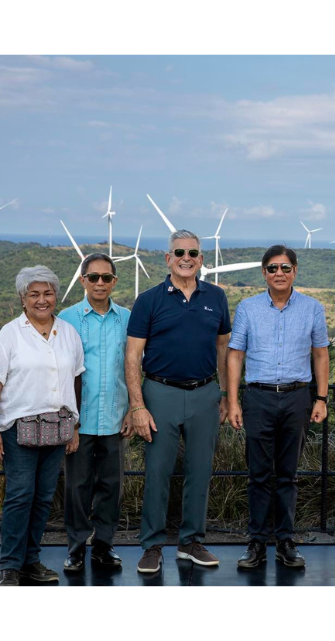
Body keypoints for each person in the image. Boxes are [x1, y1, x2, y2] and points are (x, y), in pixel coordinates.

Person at [126, 230, 231, 574]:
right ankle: (152, 545)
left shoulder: (216, 297)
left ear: (202, 259)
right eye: (179, 252)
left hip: (205, 394)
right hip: (161, 393)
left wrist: (226, 395)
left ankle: (190, 542)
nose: (187, 258)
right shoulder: (149, 300)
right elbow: (132, 355)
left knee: (199, 472)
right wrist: (138, 405)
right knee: (157, 472)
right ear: (167, 258)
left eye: (193, 253)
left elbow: (223, 350)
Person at [227, 246, 330, 569]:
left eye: (285, 267)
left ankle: (285, 541)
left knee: (288, 475)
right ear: (264, 273)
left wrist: (322, 398)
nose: (279, 273)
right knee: (258, 475)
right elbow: (235, 355)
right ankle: (256, 542)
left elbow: (321, 354)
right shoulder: (248, 308)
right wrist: (232, 401)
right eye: (273, 268)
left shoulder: (312, 308)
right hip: (257, 397)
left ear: (295, 271)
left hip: (297, 398)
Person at [0, 266, 85, 588]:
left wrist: (75, 425)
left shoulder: (68, 332)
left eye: (48, 293)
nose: (42, 300)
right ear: (23, 299)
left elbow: (76, 379)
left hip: (57, 428)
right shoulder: (10, 334)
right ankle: (10, 565)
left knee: (42, 498)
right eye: (34, 294)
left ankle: (31, 561)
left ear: (56, 295)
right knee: (19, 496)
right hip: (18, 429)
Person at [58, 254, 131, 572]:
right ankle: (76, 548)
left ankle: (103, 545)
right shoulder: (67, 318)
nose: (99, 282)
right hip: (80, 420)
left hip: (116, 416)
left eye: (106, 277)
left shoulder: (128, 318)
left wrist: (134, 409)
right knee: (77, 487)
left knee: (111, 486)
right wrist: (69, 423)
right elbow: (60, 373)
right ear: (82, 280)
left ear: (114, 281)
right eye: (93, 277)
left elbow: (135, 366)